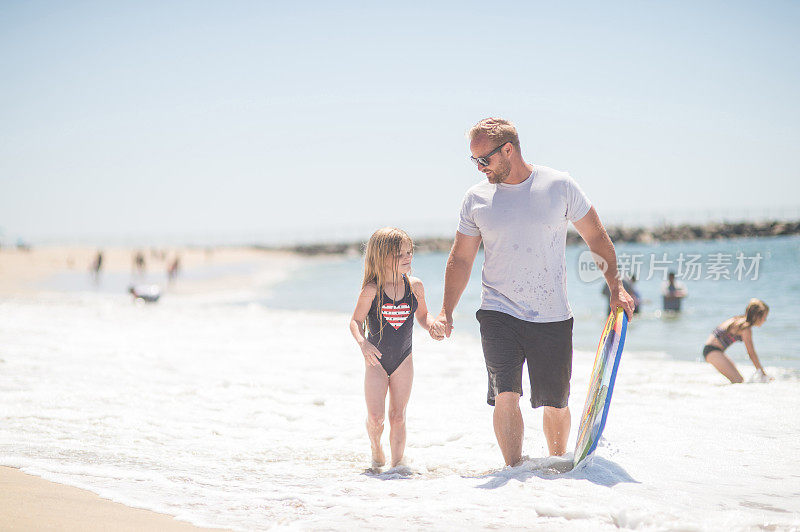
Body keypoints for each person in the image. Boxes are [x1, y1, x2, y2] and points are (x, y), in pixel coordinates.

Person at [430, 118, 635, 467]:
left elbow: (596, 237)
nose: (480, 168)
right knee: (505, 394)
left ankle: (558, 466)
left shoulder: (559, 185)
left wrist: (615, 287)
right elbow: (461, 259)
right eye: (474, 161)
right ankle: (514, 473)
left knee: (554, 402)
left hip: (552, 314)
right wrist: (446, 310)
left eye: (485, 159)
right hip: (497, 312)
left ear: (508, 149)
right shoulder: (476, 198)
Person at [349, 228, 436, 469]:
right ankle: (376, 448)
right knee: (377, 419)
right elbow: (355, 322)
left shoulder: (415, 287)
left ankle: (397, 467)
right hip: (375, 362)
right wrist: (363, 343)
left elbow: (423, 316)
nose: (407, 257)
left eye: (409, 252)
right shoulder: (371, 290)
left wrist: (432, 326)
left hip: (403, 360)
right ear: (381, 256)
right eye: (399, 254)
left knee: (398, 417)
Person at [702, 299, 769, 383]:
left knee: (739, 379)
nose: (765, 320)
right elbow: (751, 353)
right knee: (738, 380)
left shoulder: (738, 319)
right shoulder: (745, 328)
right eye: (765, 317)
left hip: (712, 350)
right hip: (713, 351)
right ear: (758, 316)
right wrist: (762, 373)